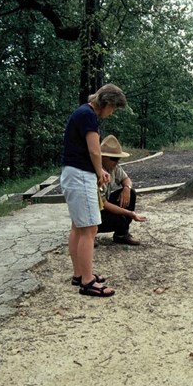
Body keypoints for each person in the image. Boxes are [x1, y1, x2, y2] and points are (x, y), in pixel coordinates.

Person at [60, 84, 127, 298]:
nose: (112, 113)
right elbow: (94, 148)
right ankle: (87, 282)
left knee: (78, 228)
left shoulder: (82, 112)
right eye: (113, 108)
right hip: (81, 174)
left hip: (72, 172)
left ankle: (79, 274)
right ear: (106, 103)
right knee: (89, 229)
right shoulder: (89, 115)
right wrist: (100, 172)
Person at [96, 135, 148, 245]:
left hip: (104, 205)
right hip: (95, 210)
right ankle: (90, 233)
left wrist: (126, 188)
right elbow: (103, 203)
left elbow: (126, 179)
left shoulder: (114, 167)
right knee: (120, 220)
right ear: (103, 157)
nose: (116, 162)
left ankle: (121, 234)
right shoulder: (95, 173)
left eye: (118, 159)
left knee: (131, 193)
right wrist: (129, 213)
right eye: (114, 158)